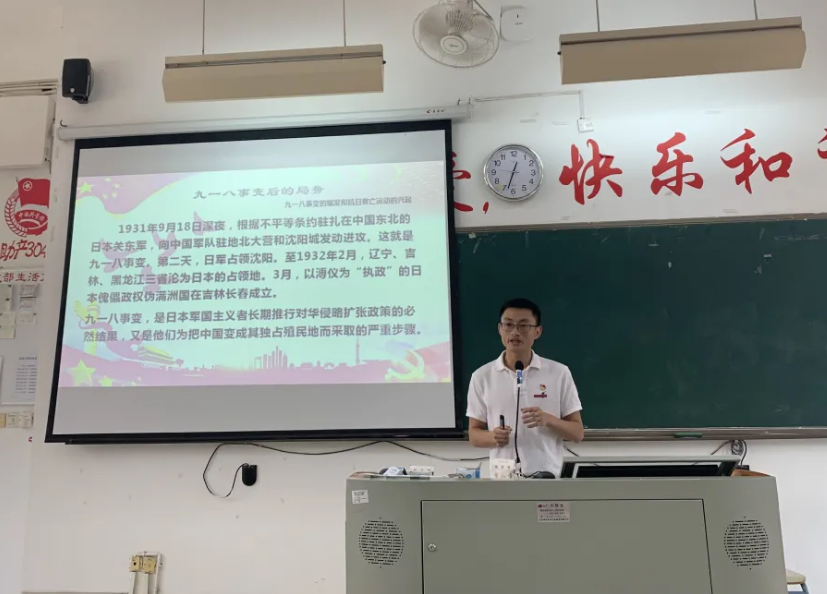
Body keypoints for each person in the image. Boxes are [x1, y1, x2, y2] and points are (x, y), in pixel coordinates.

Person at [467, 298, 584, 478]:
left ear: (537, 331)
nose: (515, 332)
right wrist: (493, 437)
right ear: (500, 329)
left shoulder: (558, 373)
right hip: (503, 479)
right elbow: (474, 435)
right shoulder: (482, 376)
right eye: (508, 325)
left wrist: (549, 420)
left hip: (548, 477)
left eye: (523, 326)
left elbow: (577, 433)